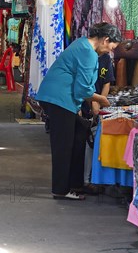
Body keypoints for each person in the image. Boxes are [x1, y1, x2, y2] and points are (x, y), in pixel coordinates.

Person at [36, 23, 122, 200]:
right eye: (111, 47)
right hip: (59, 99)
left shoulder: (83, 45)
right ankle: (61, 189)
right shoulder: (88, 52)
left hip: (64, 99)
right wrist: (101, 100)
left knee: (79, 135)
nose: (109, 52)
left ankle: (75, 184)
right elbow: (83, 90)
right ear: (105, 40)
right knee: (64, 145)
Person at [80, 53, 115, 193]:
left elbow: (107, 83)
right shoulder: (86, 56)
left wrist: (100, 101)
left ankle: (93, 179)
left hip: (97, 107)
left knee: (94, 143)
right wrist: (94, 102)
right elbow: (85, 84)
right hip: (83, 104)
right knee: (85, 144)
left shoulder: (106, 58)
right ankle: (85, 180)